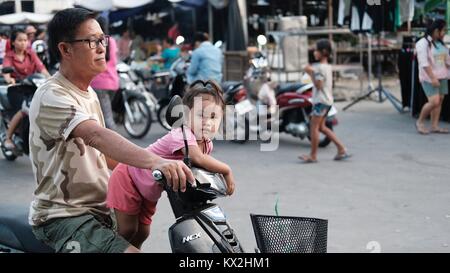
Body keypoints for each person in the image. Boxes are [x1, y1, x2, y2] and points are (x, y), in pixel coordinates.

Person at [28, 8, 194, 253]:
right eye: (91, 41)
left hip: (101, 209)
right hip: (65, 217)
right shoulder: (52, 95)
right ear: (65, 49)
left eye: (102, 39)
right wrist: (154, 162)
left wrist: (156, 169)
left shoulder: (88, 92)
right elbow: (96, 136)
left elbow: (105, 156)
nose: (101, 47)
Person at [107, 80, 235, 249]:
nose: (207, 122)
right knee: (127, 230)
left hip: (149, 188)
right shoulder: (181, 133)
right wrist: (226, 171)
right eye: (201, 115)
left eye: (213, 116)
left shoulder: (206, 143)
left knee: (142, 233)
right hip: (128, 178)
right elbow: (196, 158)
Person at [299, 39, 350, 163]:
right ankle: (341, 148)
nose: (314, 52)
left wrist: (310, 72)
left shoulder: (319, 68)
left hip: (320, 101)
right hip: (327, 101)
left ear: (324, 52)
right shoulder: (326, 66)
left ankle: (313, 155)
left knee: (314, 127)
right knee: (322, 127)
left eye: (316, 50)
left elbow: (318, 85)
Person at [2, 29, 50, 150]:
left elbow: (41, 67)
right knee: (24, 109)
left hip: (32, 87)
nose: (23, 43)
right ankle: (8, 138)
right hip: (16, 89)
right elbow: (6, 69)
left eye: (25, 40)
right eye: (20, 40)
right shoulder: (9, 55)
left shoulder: (31, 53)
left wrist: (51, 78)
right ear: (13, 42)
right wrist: (9, 79)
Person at [415, 19, 450, 134]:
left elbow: (446, 60)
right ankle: (420, 122)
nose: (445, 32)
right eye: (443, 30)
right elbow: (424, 63)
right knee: (434, 101)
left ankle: (434, 126)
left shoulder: (440, 43)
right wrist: (433, 78)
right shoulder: (422, 43)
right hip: (429, 78)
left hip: (442, 76)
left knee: (439, 100)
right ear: (436, 31)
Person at [90, 16, 119, 130]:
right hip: (113, 82)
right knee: (105, 113)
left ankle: (115, 145)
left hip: (99, 83)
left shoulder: (95, 42)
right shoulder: (111, 41)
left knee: (105, 117)